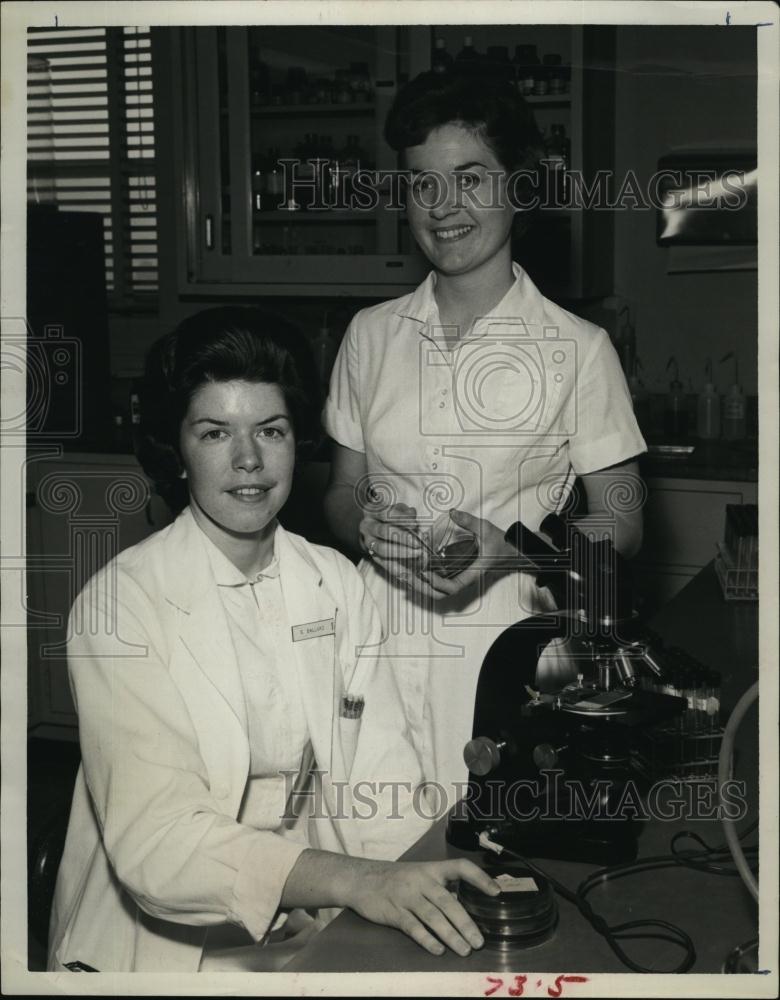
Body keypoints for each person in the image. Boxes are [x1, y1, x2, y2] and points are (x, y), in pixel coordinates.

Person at [47, 307, 500, 974]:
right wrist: (354, 881)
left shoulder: (336, 584)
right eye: (214, 433)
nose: (249, 460)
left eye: (271, 430)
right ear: (176, 451)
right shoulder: (122, 607)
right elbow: (161, 845)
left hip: (303, 922)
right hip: (162, 949)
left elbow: (383, 781)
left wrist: (439, 876)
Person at [323, 71, 647, 809]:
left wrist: (511, 548)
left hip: (515, 643)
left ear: (519, 186)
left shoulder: (579, 348)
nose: (444, 208)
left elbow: (622, 523)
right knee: (371, 839)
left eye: (470, 179)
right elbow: (341, 491)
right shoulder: (370, 337)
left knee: (496, 843)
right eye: (422, 184)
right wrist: (366, 526)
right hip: (376, 634)